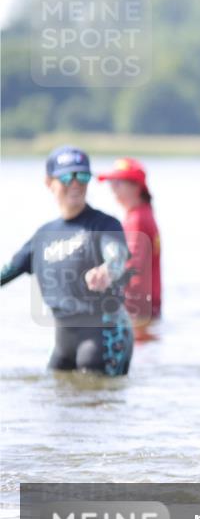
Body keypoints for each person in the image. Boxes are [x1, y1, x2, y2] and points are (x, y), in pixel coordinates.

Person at [1, 146, 133, 375]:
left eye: (82, 176)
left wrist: (107, 271)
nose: (75, 183)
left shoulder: (105, 225)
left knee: (101, 403)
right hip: (63, 339)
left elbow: (117, 256)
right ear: (48, 182)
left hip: (104, 334)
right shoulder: (42, 236)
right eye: (67, 176)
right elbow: (7, 271)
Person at [98, 157, 162, 340]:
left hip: (136, 311)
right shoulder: (144, 213)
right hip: (147, 309)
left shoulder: (137, 219)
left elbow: (130, 267)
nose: (112, 190)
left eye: (118, 183)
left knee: (136, 358)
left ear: (136, 187)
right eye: (111, 184)